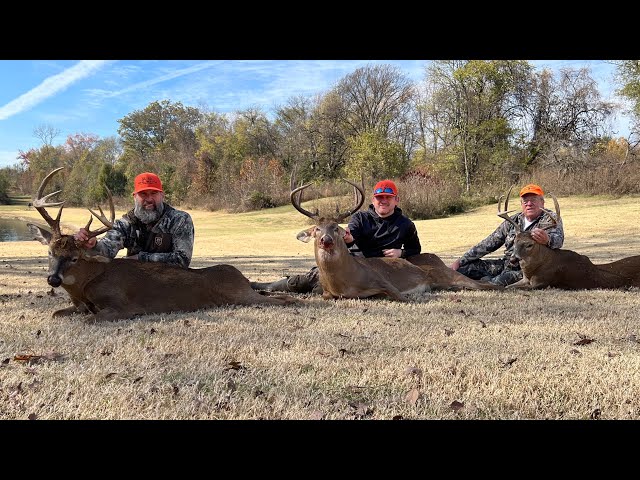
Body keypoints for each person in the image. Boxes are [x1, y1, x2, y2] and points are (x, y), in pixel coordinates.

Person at [251, 179, 422, 293]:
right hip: (354, 267)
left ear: (396, 200)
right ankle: (267, 286)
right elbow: (349, 236)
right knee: (310, 280)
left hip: (382, 270)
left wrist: (402, 253)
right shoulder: (360, 218)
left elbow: (416, 249)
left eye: (388, 197)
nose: (383, 201)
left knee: (324, 288)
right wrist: (348, 238)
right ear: (373, 199)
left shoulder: (406, 224)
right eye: (379, 197)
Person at [449, 183, 564, 286]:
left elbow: (559, 241)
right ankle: (480, 278)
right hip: (506, 263)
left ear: (542, 202)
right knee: (465, 269)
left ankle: (484, 282)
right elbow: (489, 243)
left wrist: (548, 240)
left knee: (494, 283)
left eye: (533, 200)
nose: (529, 204)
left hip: (527, 270)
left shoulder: (551, 219)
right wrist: (461, 261)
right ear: (521, 204)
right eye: (525, 201)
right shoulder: (513, 220)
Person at [73, 172, 195, 268]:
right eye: (143, 194)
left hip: (170, 284)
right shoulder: (126, 223)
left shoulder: (179, 220)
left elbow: (182, 260)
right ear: (135, 197)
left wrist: (139, 258)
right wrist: (93, 245)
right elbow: (105, 252)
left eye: (154, 193)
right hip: (135, 286)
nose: (149, 199)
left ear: (162, 195)